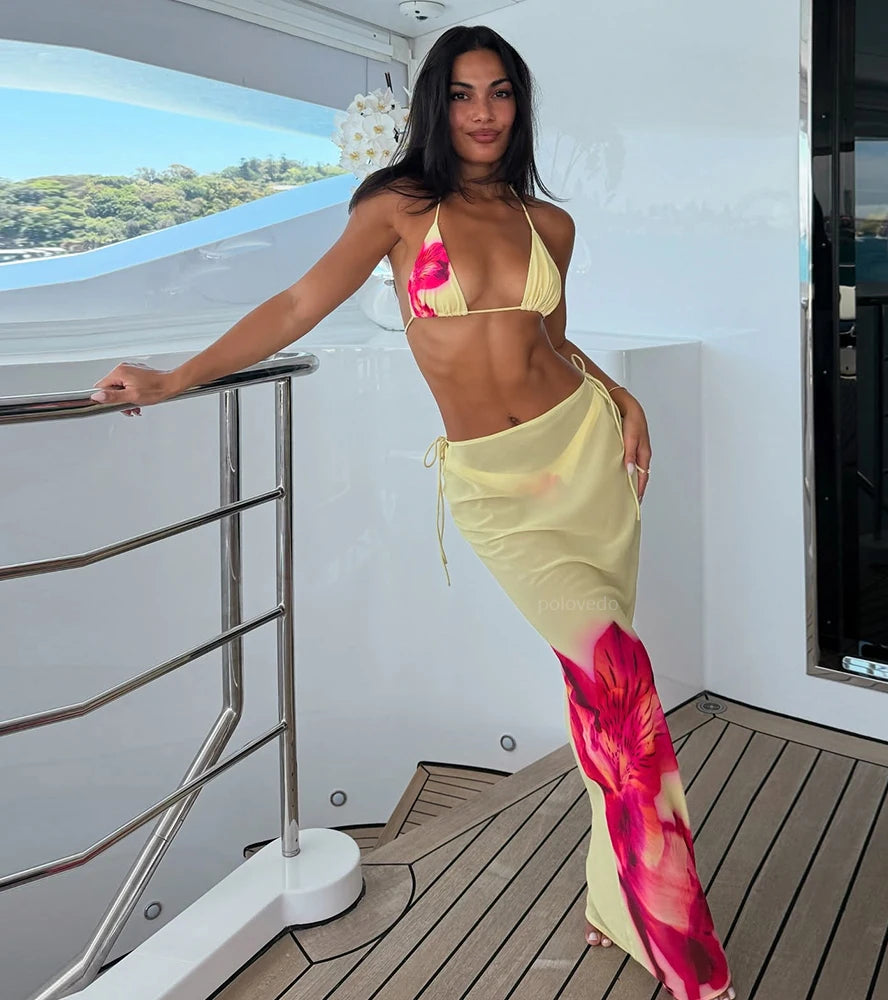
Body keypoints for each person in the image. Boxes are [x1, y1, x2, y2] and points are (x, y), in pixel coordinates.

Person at [91, 25, 735, 1000]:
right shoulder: (399, 208)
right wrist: (175, 377)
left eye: (501, 93)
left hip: (588, 459)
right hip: (498, 487)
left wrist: (625, 396)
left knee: (600, 702)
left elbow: (551, 339)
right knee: (622, 685)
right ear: (436, 106)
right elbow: (301, 301)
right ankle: (694, 964)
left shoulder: (547, 224)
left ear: (519, 106)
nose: (482, 113)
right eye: (463, 94)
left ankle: (617, 900)